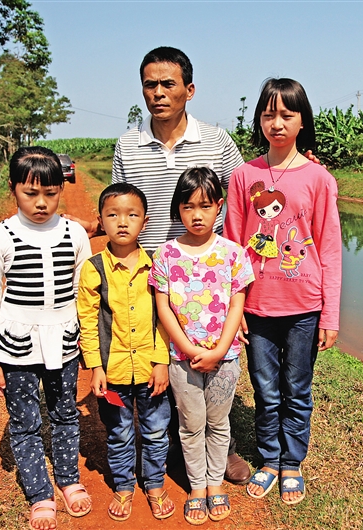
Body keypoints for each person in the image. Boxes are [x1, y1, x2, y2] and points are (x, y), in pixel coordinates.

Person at [65, 46, 252, 484]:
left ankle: (221, 449)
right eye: (150, 85)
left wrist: (295, 165)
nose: (158, 93)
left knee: (211, 369)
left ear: (190, 89)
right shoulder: (128, 145)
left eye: (168, 84)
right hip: (149, 280)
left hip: (207, 283)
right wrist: (83, 225)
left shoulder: (217, 141)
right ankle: (169, 447)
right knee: (162, 363)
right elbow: (122, 207)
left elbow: (247, 198)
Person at [224, 78, 342, 505]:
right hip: (256, 306)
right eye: (269, 114)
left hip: (304, 306)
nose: (277, 123)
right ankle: (270, 459)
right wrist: (234, 310)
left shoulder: (319, 178)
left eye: (287, 115)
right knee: (265, 390)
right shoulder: (244, 176)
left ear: (302, 121)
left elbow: (329, 248)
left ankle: (292, 462)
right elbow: (233, 246)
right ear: (259, 119)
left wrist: (330, 314)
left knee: (297, 388)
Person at [0, 146, 92, 530]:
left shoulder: (75, 234)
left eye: (50, 193)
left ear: (62, 189)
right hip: (16, 346)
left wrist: (89, 345)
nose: (41, 203)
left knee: (65, 413)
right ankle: (40, 493)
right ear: (12, 188)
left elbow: (84, 293)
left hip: (65, 342)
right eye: (30, 193)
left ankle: (69, 480)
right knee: (24, 422)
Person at [150, 167, 254, 524]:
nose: (197, 215)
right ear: (177, 209)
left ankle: (214, 484)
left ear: (219, 207)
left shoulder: (233, 254)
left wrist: (219, 351)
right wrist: (190, 350)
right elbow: (163, 307)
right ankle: (197, 486)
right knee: (190, 424)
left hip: (226, 358)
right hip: (182, 360)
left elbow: (237, 305)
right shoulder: (165, 255)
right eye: (188, 206)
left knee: (219, 423)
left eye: (205, 206)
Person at [76, 183, 174, 522]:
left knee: (156, 430)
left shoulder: (157, 264)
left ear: (144, 222)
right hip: (113, 371)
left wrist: (161, 361)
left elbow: (165, 317)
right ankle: (123, 484)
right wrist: (95, 367)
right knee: (118, 432)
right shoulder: (93, 268)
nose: (122, 222)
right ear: (100, 220)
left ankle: (155, 484)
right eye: (113, 215)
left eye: (132, 215)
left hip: (150, 369)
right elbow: (88, 321)